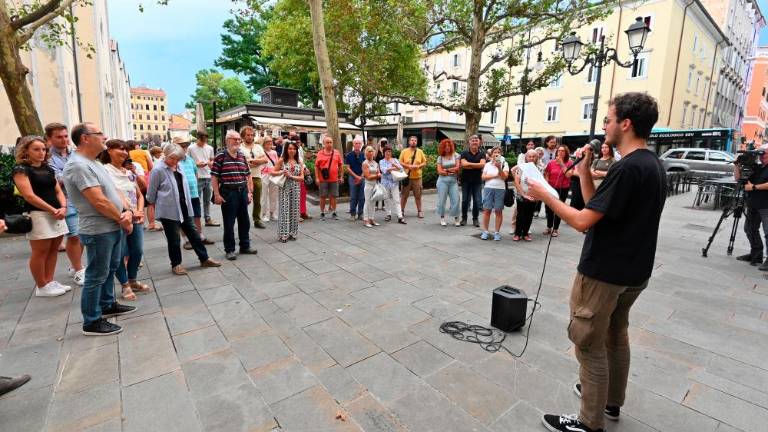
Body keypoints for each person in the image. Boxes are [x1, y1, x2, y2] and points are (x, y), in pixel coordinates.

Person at [528, 93, 666, 432]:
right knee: (616, 335)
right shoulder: (651, 164)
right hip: (634, 272)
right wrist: (585, 171)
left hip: (604, 273)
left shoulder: (627, 168)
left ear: (626, 123)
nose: (603, 125)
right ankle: (610, 401)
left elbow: (581, 222)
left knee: (588, 343)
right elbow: (596, 208)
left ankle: (590, 422)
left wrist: (546, 195)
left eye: (608, 119)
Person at [63, 122, 137, 336]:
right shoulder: (78, 165)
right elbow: (98, 201)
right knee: (96, 274)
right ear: (85, 138)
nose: (104, 136)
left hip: (111, 225)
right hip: (98, 229)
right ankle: (92, 321)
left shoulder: (93, 162)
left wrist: (127, 211)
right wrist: (122, 219)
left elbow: (112, 191)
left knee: (111, 267)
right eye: (99, 133)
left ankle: (106, 304)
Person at [147, 144, 222, 274]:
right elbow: (151, 193)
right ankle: (176, 264)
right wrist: (153, 209)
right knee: (174, 240)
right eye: (172, 159)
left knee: (194, 235)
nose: (174, 162)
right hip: (169, 210)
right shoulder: (158, 169)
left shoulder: (179, 166)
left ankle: (204, 258)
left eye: (177, 159)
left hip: (184, 207)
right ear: (166, 154)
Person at [13, 136, 71, 297]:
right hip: (38, 214)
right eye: (36, 149)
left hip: (57, 213)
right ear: (26, 151)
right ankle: (41, 285)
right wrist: (53, 210)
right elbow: (29, 196)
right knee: (40, 251)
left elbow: (58, 190)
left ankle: (50, 281)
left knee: (54, 248)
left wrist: (63, 207)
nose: (41, 153)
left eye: (44, 149)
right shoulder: (21, 170)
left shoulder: (48, 169)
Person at [100, 139, 150, 301]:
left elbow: (139, 194)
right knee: (120, 254)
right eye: (119, 149)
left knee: (137, 250)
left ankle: (132, 279)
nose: (123, 152)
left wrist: (140, 211)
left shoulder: (128, 172)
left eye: (125, 149)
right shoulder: (105, 171)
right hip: (118, 217)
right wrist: (130, 211)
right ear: (108, 151)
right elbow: (112, 194)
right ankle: (125, 285)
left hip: (135, 217)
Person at [46, 123, 85, 286]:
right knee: (74, 235)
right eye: (59, 137)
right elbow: (58, 179)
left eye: (65, 136)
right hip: (65, 201)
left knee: (81, 234)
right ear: (49, 139)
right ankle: (78, 270)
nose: (64, 140)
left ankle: (73, 265)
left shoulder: (76, 153)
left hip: (82, 198)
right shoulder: (47, 157)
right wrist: (77, 175)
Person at [211, 130, 258, 260]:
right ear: (227, 140)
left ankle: (245, 246)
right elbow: (214, 177)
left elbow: (248, 175)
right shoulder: (220, 156)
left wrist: (250, 192)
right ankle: (230, 249)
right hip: (228, 192)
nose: (237, 141)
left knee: (245, 221)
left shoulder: (242, 156)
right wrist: (216, 194)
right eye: (234, 139)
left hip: (242, 191)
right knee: (229, 223)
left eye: (238, 139)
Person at [175, 137, 215, 249]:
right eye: (181, 146)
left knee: (197, 215)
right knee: (183, 216)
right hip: (181, 195)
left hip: (193, 193)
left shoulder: (189, 159)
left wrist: (194, 185)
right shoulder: (174, 160)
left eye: (185, 146)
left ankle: (200, 236)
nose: (184, 148)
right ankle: (186, 240)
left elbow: (195, 173)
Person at [735, 144, 768, 269]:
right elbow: (738, 178)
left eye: (764, 153)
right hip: (753, 203)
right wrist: (737, 165)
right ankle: (756, 254)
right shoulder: (758, 167)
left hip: (765, 205)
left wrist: (754, 187)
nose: (762, 156)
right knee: (749, 229)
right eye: (761, 153)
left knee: (767, 232)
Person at [272, 141, 304, 242]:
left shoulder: (299, 161)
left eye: (294, 149)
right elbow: (272, 172)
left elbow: (302, 177)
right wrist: (282, 171)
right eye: (290, 148)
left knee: (295, 211)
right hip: (284, 188)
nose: (292, 151)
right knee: (284, 211)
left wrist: (291, 176)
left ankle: (293, 233)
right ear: (286, 149)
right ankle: (283, 234)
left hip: (296, 188)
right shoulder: (282, 160)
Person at [188, 131, 219, 227]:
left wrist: (210, 163)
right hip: (197, 177)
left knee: (207, 200)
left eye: (205, 140)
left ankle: (207, 219)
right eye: (202, 140)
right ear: (198, 138)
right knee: (197, 200)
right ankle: (196, 221)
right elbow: (187, 161)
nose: (204, 142)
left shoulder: (209, 148)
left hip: (208, 176)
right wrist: (196, 164)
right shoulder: (191, 148)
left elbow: (212, 159)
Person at [240, 126, 268, 229]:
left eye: (252, 135)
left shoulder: (258, 147)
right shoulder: (240, 148)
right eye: (248, 135)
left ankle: (257, 220)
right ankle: (243, 220)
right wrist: (257, 161)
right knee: (244, 201)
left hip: (257, 176)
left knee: (257, 201)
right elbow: (242, 163)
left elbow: (265, 160)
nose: (250, 137)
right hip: (244, 178)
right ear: (243, 136)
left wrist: (250, 161)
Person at [480, 146, 509, 241]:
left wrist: (499, 168)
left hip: (500, 189)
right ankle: (485, 231)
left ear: (501, 154)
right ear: (491, 154)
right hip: (488, 188)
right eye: (494, 152)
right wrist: (495, 175)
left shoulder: (505, 164)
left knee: (498, 210)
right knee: (487, 210)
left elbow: (504, 177)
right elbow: (483, 177)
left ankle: (497, 232)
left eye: (498, 152)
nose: (496, 153)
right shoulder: (487, 164)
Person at [543, 145, 573, 237]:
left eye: (563, 151)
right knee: (549, 208)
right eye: (559, 151)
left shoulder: (569, 163)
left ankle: (555, 229)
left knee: (559, 209)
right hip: (551, 187)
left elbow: (568, 175)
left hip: (562, 188)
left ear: (566, 153)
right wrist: (547, 183)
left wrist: (561, 164)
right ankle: (549, 227)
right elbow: (547, 173)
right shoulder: (551, 163)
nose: (560, 152)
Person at [512, 149, 540, 241]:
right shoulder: (521, 167)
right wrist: (523, 194)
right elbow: (516, 181)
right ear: (526, 157)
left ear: (536, 158)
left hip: (533, 195)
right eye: (529, 156)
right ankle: (517, 233)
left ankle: (526, 233)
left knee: (529, 215)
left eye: (533, 156)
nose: (531, 158)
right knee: (520, 215)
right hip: (521, 194)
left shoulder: (539, 168)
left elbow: (541, 183)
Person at [315, 135, 344, 220]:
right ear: (324, 143)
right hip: (323, 179)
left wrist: (341, 176)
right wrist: (316, 178)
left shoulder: (336, 152)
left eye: (331, 142)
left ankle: (334, 211)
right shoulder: (320, 153)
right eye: (327, 142)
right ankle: (322, 212)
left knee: (334, 196)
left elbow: (340, 165)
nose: (329, 144)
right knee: (322, 196)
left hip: (334, 179)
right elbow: (316, 166)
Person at [460, 135, 486, 227]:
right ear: (469, 142)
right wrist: (476, 165)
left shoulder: (482, 153)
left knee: (477, 201)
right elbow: (463, 164)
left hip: (477, 180)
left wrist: (469, 164)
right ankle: (464, 218)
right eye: (473, 140)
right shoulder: (464, 153)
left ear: (479, 142)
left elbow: (482, 165)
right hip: (465, 180)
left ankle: (475, 219)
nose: (474, 142)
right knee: (465, 200)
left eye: (476, 140)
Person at [399, 136, 427, 219]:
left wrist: (418, 166)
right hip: (406, 177)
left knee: (418, 195)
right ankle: (401, 211)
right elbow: (400, 162)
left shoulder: (420, 152)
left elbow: (424, 162)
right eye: (412, 140)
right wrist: (408, 166)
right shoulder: (404, 151)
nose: (413, 142)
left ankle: (419, 211)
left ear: (417, 142)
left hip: (417, 177)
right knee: (404, 195)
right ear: (409, 142)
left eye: (415, 140)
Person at [435, 138, 461, 226]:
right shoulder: (440, 157)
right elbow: (439, 171)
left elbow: (457, 168)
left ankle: (456, 217)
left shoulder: (456, 155)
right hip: (442, 181)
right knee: (442, 200)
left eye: (449, 146)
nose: (447, 148)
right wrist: (451, 171)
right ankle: (442, 218)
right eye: (445, 146)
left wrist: (446, 170)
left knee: (456, 200)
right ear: (442, 147)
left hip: (453, 181)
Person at [378, 145, 406, 224]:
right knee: (386, 199)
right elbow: (384, 171)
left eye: (390, 152)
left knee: (396, 200)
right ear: (384, 153)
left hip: (394, 182)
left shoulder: (395, 160)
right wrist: (393, 168)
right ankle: (388, 214)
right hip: (385, 183)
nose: (388, 153)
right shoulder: (381, 161)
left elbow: (401, 169)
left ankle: (400, 216)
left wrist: (395, 165)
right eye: (387, 152)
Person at [345, 137, 366, 221]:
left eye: (359, 143)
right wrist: (356, 177)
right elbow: (348, 168)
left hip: (362, 177)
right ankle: (352, 214)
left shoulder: (363, 154)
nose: (357, 145)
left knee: (362, 197)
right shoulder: (349, 155)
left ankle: (360, 213)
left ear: (361, 145)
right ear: (353, 145)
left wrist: (361, 176)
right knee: (353, 196)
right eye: (356, 143)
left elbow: (365, 166)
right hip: (352, 177)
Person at [361, 146, 381, 227]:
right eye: (369, 152)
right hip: (368, 185)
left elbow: (379, 173)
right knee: (367, 202)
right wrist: (377, 175)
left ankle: (371, 219)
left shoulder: (376, 163)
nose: (371, 153)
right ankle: (366, 220)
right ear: (366, 153)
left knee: (373, 202)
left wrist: (378, 175)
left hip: (375, 185)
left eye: (372, 151)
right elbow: (368, 176)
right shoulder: (365, 163)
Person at [260, 136, 279, 222]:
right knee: (264, 195)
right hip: (264, 174)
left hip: (273, 174)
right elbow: (260, 164)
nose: (269, 144)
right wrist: (265, 170)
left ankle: (272, 213)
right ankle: (264, 214)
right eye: (267, 142)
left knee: (273, 194)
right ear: (264, 143)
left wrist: (276, 170)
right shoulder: (261, 152)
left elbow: (277, 163)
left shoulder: (274, 152)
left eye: (271, 142)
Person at [374, 139, 387, 211]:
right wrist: (377, 148)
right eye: (382, 142)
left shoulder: (386, 151)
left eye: (385, 142)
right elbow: (374, 158)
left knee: (383, 189)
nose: (383, 144)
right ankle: (376, 205)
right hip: (378, 172)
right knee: (377, 188)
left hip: (384, 172)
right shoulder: (377, 151)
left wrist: (384, 150)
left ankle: (383, 205)